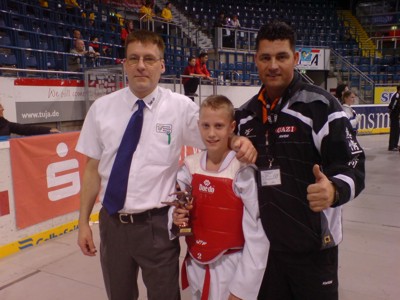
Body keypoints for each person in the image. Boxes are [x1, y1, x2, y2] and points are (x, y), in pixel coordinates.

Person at [75, 30, 256, 300]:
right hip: (112, 225)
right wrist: (82, 223)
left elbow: (215, 134)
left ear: (162, 65)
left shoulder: (181, 108)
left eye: (149, 59)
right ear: (124, 63)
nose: (140, 65)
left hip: (157, 227)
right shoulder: (101, 109)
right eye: (133, 58)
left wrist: (240, 140)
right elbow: (92, 169)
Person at [234, 20, 365, 299]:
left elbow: (353, 163)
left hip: (314, 250)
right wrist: (235, 141)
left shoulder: (321, 106)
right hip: (266, 251)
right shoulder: (245, 116)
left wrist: (333, 189)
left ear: (295, 58)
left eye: (281, 57)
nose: (273, 65)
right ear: (255, 60)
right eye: (266, 57)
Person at [170, 95, 269, 300]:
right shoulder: (190, 166)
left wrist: (242, 289)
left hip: (231, 266)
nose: (211, 133)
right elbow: (178, 207)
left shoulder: (242, 170)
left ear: (232, 127)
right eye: (205, 126)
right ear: (198, 126)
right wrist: (176, 218)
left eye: (219, 126)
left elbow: (257, 232)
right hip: (196, 260)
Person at [388, 85, 400, 151]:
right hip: (394, 116)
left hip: (396, 116)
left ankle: (395, 144)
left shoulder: (398, 96)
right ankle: (391, 146)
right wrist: (395, 114)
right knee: (393, 131)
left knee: (397, 131)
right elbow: (392, 106)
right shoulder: (396, 96)